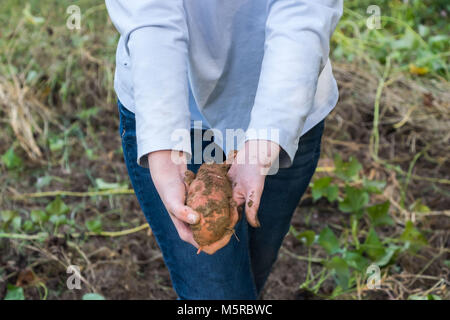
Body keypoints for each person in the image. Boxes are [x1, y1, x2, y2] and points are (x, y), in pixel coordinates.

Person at [106, 0, 343, 299]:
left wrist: (266, 138)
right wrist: (165, 145)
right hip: (171, 112)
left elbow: (305, 10)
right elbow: (152, 15)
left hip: (289, 106)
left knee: (252, 272)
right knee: (220, 295)